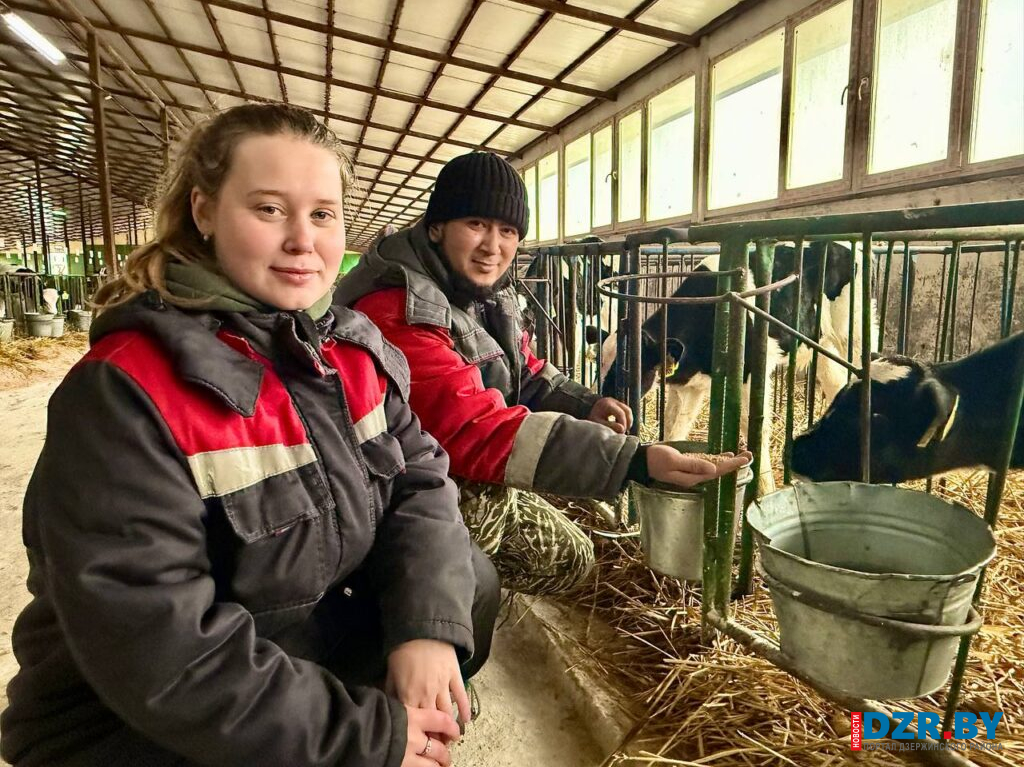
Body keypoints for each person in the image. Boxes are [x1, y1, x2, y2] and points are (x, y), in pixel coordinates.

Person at [0, 104, 499, 767]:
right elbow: (159, 648)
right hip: (129, 722)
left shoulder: (346, 352)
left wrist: (426, 631)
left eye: (322, 214)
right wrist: (364, 736)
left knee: (470, 584)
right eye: (269, 209)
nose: (302, 240)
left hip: (288, 638)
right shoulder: (125, 392)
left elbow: (422, 480)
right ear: (204, 211)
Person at [334, 152, 750, 596]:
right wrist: (633, 460)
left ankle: (471, 592)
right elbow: (473, 429)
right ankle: (418, 605)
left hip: (445, 465)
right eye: (476, 223)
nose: (493, 246)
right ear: (437, 227)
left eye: (508, 231)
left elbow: (522, 368)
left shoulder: (481, 292)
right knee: (497, 540)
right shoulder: (399, 308)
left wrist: (585, 403)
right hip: (391, 492)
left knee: (570, 557)